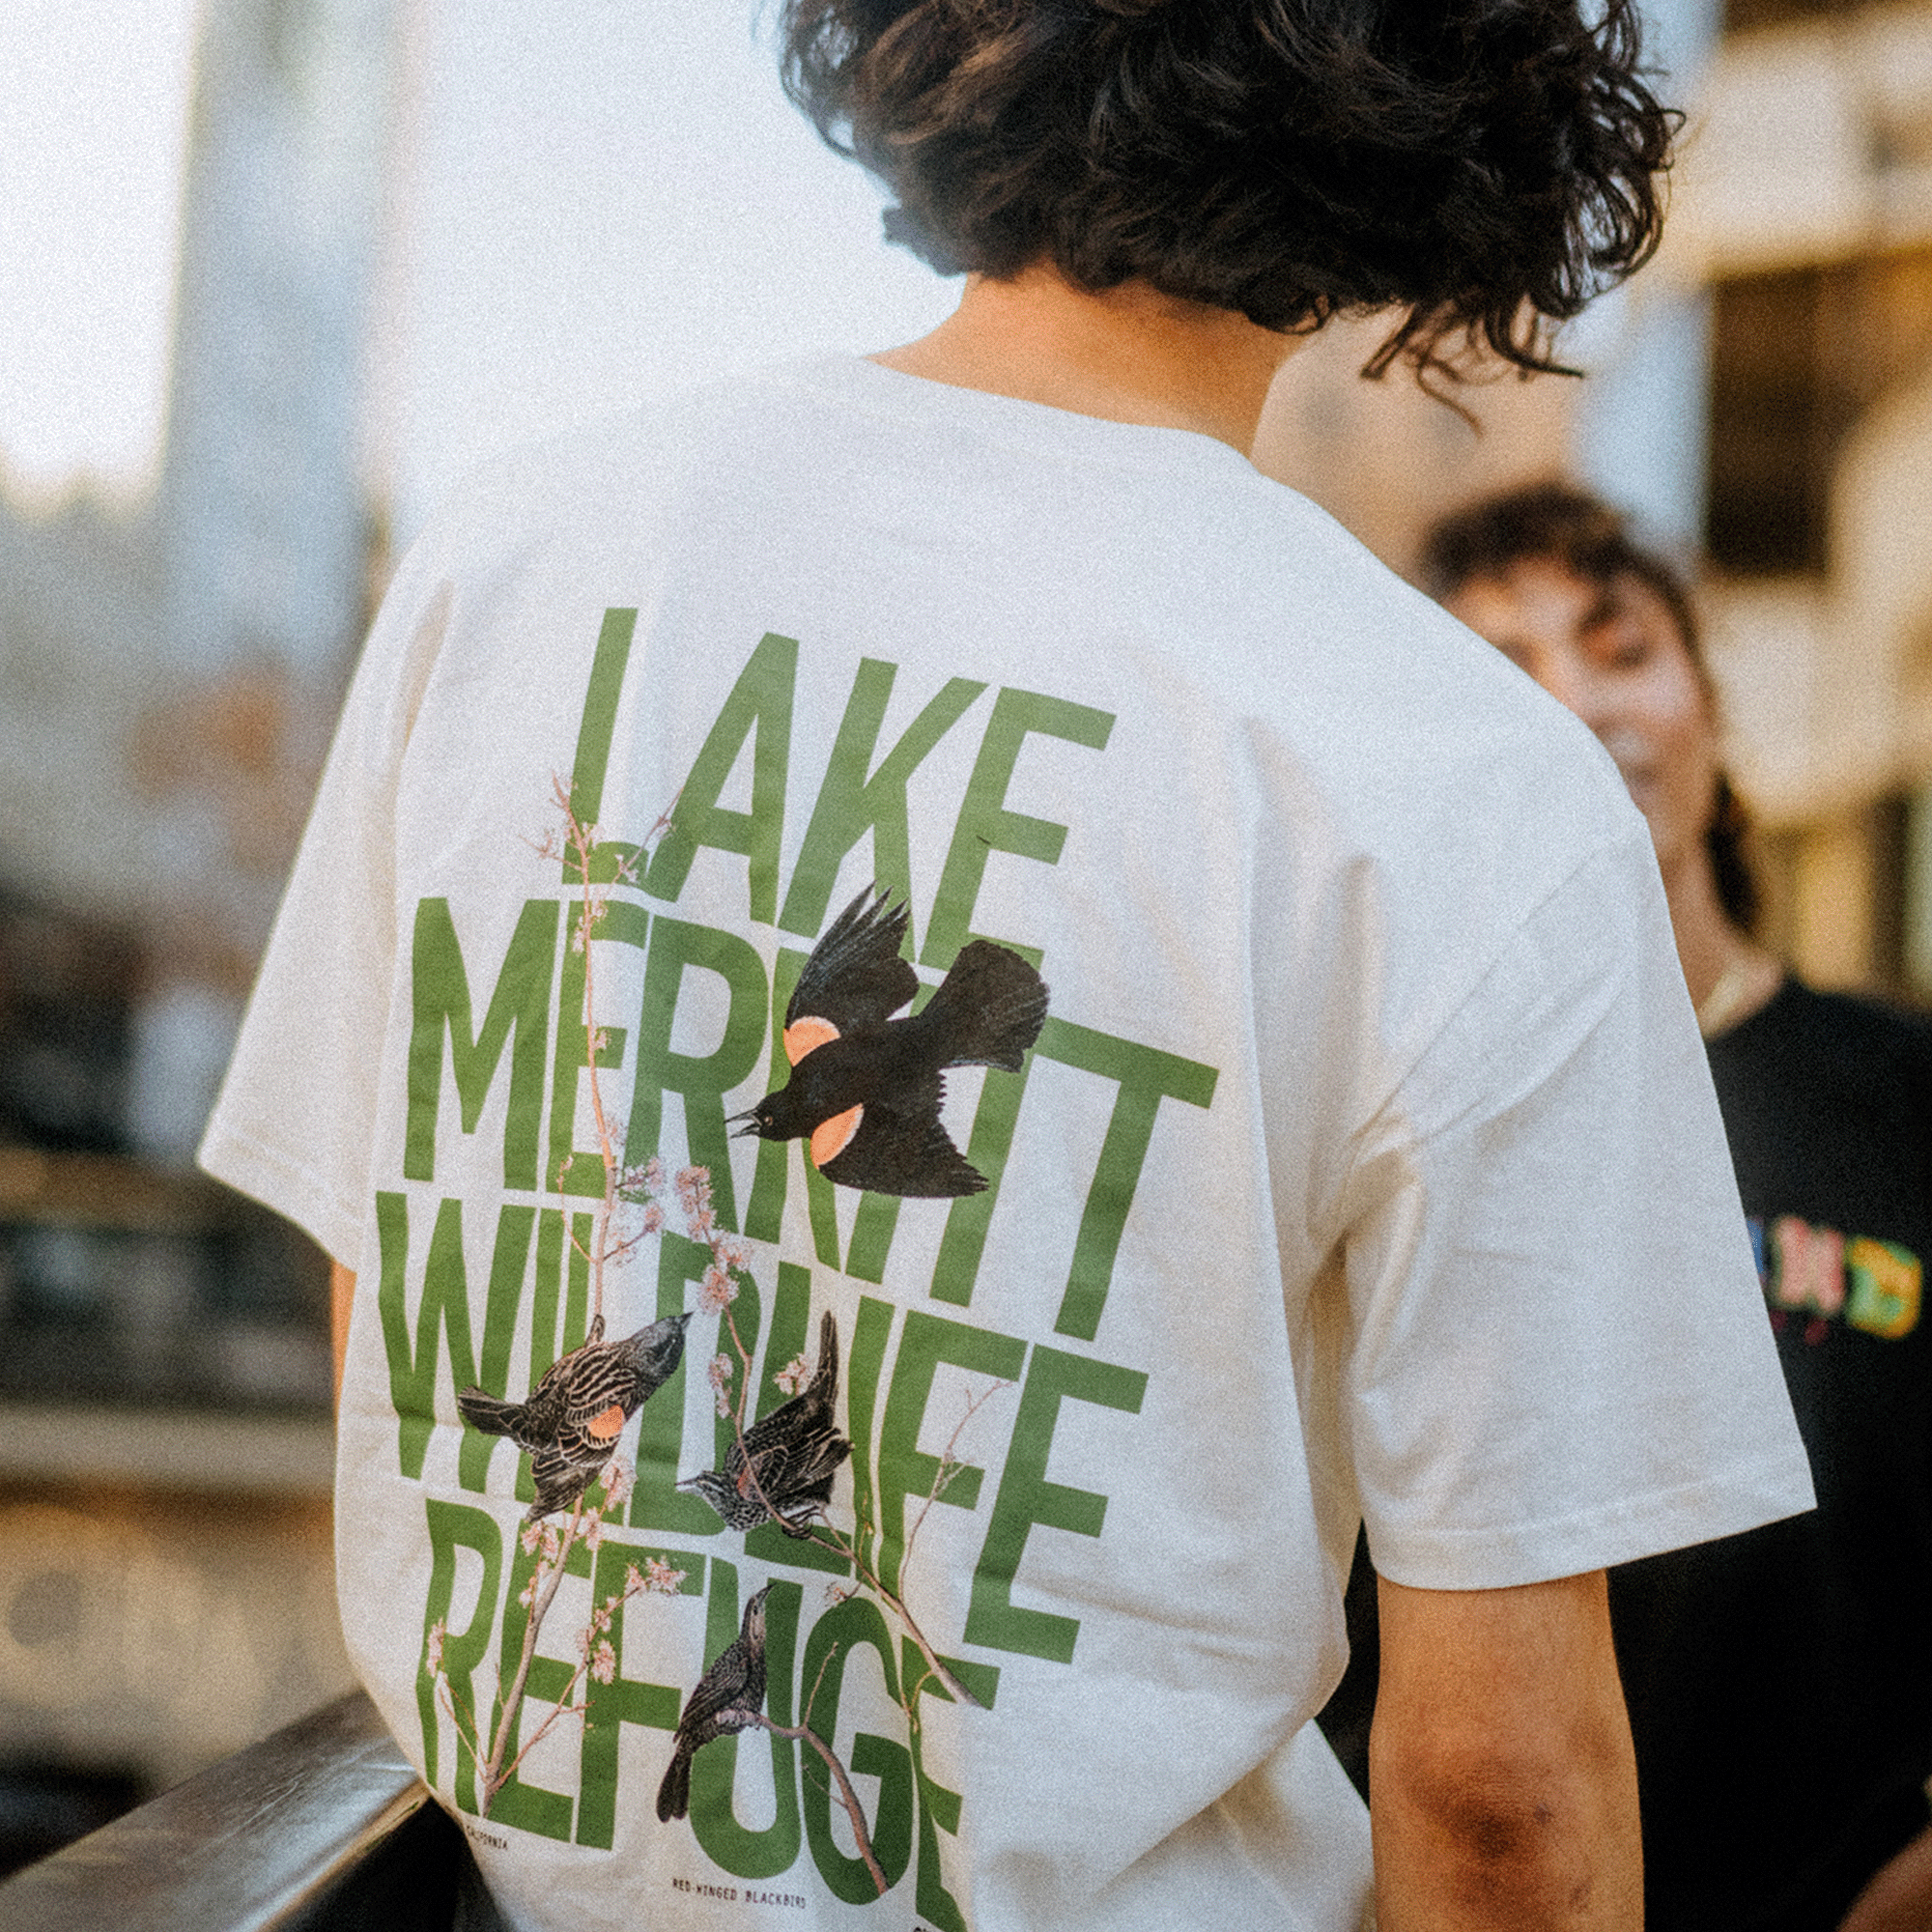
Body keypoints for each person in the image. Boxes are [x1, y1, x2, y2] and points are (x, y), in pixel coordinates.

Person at [198, 8, 1812, 1929]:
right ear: (1443, 110)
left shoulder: (512, 556)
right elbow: (1499, 1787)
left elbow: (398, 1289)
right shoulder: (1460, 777)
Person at [1402, 482, 1932, 1931]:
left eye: (1620, 647)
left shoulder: (1904, 1093)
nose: (1578, 705)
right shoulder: (1392, 1119)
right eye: (1504, 671)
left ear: (1706, 701)